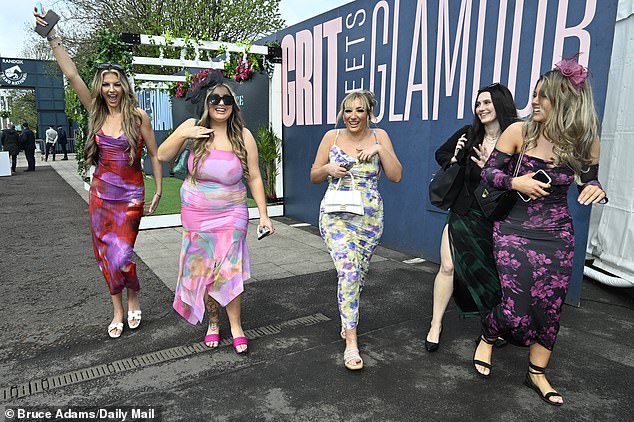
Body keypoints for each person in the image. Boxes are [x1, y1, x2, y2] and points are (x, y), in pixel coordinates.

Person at [473, 58, 607, 406]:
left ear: (564, 100)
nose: (533, 101)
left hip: (558, 235)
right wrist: (515, 181)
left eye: (542, 96)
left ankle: (537, 372)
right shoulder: (519, 131)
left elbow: (588, 181)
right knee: (516, 308)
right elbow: (489, 175)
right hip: (514, 230)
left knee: (549, 307)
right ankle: (489, 332)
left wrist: (596, 189)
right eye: (533, 94)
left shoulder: (586, 141)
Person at [35, 8, 163, 338]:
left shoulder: (138, 117)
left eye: (116, 83)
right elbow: (73, 75)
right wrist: (52, 38)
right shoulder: (95, 111)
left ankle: (133, 294)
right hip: (101, 194)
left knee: (122, 253)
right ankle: (119, 309)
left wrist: (159, 189)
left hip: (132, 193)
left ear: (124, 86)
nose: (110, 89)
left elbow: (155, 154)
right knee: (105, 255)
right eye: (105, 84)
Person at [157, 74, 274, 354]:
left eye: (227, 100)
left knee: (229, 271)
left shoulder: (242, 136)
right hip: (198, 215)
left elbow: (255, 176)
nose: (221, 104)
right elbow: (162, 155)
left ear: (234, 105)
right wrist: (185, 133)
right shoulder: (193, 129)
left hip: (232, 213)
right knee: (206, 273)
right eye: (215, 99)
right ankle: (212, 320)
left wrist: (264, 215)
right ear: (206, 103)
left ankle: (235, 326)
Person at [310, 90, 402, 370]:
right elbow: (313, 175)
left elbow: (396, 176)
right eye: (348, 110)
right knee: (348, 270)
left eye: (359, 110)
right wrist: (328, 168)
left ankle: (346, 318)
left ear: (369, 113)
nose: (353, 116)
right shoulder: (332, 137)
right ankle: (351, 341)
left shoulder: (380, 136)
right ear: (342, 112)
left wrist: (380, 150)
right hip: (335, 214)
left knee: (357, 275)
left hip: (370, 218)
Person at [425, 83, 518, 352]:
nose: (482, 108)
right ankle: (435, 324)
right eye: (478, 103)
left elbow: (519, 180)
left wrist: (493, 166)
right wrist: (455, 158)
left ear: (501, 104)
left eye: (487, 102)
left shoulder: (515, 138)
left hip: (496, 218)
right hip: (463, 212)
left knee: (490, 275)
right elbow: (441, 153)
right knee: (447, 266)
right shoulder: (468, 134)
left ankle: (490, 329)